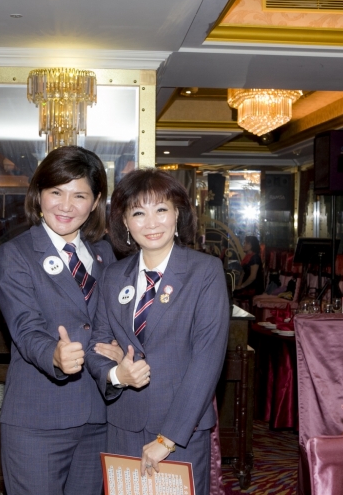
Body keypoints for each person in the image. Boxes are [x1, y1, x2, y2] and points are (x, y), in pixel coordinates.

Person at [86, 169, 229, 495]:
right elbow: (98, 344)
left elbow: (206, 361)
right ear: (125, 222)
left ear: (178, 214)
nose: (151, 223)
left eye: (161, 209)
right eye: (138, 213)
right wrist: (117, 375)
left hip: (181, 431)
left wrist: (168, 439)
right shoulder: (113, 276)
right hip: (123, 427)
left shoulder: (205, 272)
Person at [0, 146, 121, 495]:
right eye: (56, 193)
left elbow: (116, 320)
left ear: (95, 202)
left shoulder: (105, 253)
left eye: (79, 195)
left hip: (99, 415)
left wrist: (121, 348)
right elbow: (25, 328)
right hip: (38, 418)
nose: (66, 206)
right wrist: (54, 354)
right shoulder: (16, 254)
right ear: (39, 195)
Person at [234, 235, 264, 300]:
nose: (244, 245)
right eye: (244, 243)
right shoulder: (247, 257)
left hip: (254, 287)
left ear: (252, 245)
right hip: (247, 285)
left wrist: (241, 286)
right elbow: (242, 273)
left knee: (235, 294)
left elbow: (252, 277)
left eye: (247, 243)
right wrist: (239, 285)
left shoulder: (255, 258)